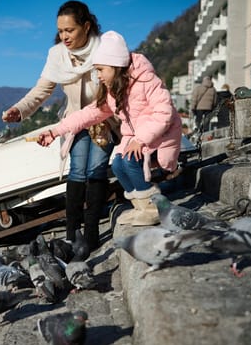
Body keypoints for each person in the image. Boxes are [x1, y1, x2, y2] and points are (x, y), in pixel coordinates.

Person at [2, 1, 118, 250]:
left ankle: (92, 231)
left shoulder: (105, 49)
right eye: (61, 31)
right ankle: (72, 232)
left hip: (103, 119)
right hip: (75, 120)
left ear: (86, 27)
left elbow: (120, 87)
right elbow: (41, 90)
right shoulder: (57, 55)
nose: (64, 36)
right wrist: (19, 110)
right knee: (77, 170)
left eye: (70, 30)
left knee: (96, 169)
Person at [37, 30, 182, 226]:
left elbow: (165, 114)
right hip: (136, 139)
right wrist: (55, 131)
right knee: (117, 165)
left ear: (116, 66)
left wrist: (140, 140)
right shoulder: (113, 91)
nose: (98, 76)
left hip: (161, 135)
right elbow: (88, 114)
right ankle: (141, 207)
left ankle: (153, 208)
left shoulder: (148, 81)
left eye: (100, 69)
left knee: (130, 161)